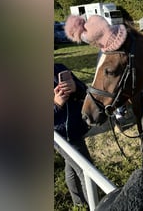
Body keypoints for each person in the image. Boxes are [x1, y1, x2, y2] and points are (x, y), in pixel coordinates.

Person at [65, 15, 136, 129]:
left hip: (110, 47)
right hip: (105, 50)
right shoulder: (87, 30)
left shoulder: (89, 30)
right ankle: (119, 110)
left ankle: (120, 110)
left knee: (115, 81)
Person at [54, 63, 92, 209]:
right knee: (87, 171)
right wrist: (56, 104)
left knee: (72, 166)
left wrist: (76, 87)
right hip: (61, 135)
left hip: (75, 127)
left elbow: (84, 90)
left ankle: (79, 203)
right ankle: (95, 205)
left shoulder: (58, 67)